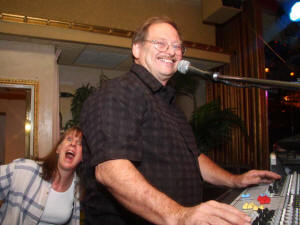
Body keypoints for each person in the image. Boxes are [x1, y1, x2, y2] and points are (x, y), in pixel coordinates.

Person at [80, 16, 281, 225]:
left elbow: (194, 158)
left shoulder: (169, 104)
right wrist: (178, 215)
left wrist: (235, 180)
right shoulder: (119, 92)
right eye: (160, 43)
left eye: (177, 46)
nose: (171, 51)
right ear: (136, 50)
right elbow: (111, 170)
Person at [0, 126, 83, 225]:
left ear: (82, 157)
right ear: (58, 149)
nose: (73, 144)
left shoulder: (79, 190)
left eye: (80, 143)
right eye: (69, 139)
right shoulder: (25, 170)